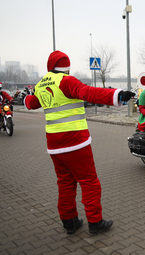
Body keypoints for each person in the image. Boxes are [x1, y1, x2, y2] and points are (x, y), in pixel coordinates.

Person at [24, 50, 135, 235]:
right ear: (66, 67)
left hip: (54, 144)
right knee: (89, 182)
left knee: (65, 183)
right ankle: (95, 222)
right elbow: (88, 92)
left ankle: (70, 222)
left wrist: (27, 96)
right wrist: (118, 95)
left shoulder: (41, 84)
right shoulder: (66, 81)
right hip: (75, 142)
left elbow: (31, 104)